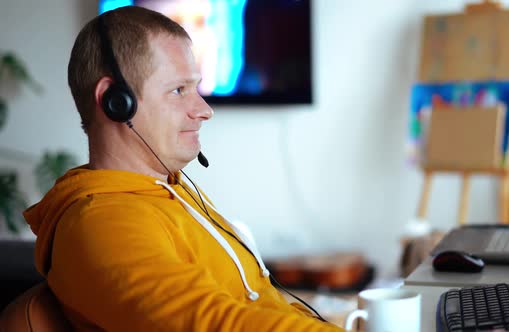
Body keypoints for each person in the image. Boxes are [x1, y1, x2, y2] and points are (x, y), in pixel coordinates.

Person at [23, 6, 342, 332]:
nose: (204, 110)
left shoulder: (170, 191)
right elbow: (214, 324)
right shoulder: (102, 222)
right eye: (179, 90)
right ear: (115, 102)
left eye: (196, 89)